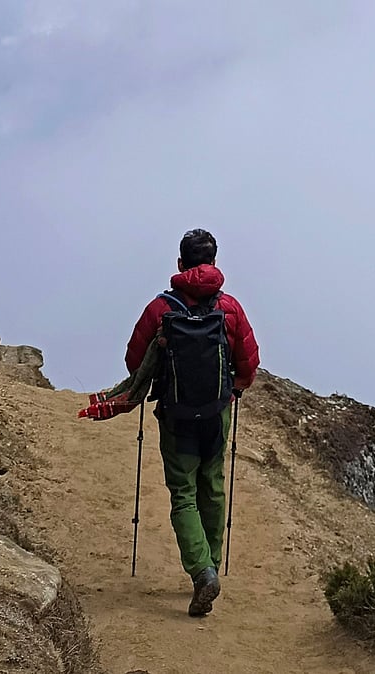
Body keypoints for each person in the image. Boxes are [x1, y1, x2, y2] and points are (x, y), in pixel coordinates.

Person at [124, 228, 259, 616]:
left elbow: (135, 362)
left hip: (176, 415)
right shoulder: (229, 308)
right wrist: (233, 389)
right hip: (217, 414)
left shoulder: (159, 310)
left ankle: (202, 573)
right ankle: (211, 563)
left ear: (180, 264)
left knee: (183, 493)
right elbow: (249, 362)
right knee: (212, 486)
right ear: (213, 263)